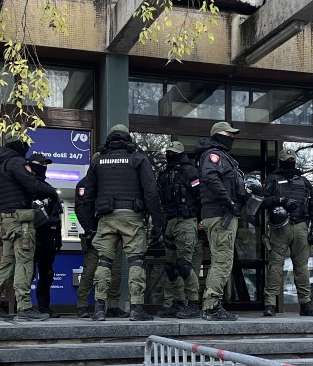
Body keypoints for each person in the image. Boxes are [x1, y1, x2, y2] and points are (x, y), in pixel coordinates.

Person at [80, 124, 164, 321]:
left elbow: (88, 196)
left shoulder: (98, 161)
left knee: (104, 261)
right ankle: (136, 308)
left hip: (106, 218)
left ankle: (99, 308)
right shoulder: (138, 158)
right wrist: (157, 221)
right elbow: (151, 192)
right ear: (128, 138)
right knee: (136, 260)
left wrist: (90, 227)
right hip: (131, 217)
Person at [0, 138, 58, 322]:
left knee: (7, 263)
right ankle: (24, 307)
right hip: (20, 221)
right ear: (18, 146)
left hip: (6, 220)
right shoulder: (15, 162)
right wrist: (52, 192)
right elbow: (32, 185)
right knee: (24, 261)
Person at [260, 147, 313, 317]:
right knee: (275, 268)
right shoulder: (273, 179)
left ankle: (305, 304)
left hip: (301, 226)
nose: (289, 165)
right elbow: (261, 202)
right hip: (280, 228)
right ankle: (270, 304)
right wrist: (280, 200)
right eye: (287, 162)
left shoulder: (304, 182)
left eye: (291, 162)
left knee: (301, 268)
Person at [195, 121, 245, 321]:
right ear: (217, 134)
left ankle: (213, 304)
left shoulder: (223, 157)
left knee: (221, 260)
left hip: (219, 213)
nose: (231, 137)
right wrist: (229, 201)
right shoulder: (212, 155)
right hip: (220, 214)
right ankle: (212, 306)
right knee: (222, 261)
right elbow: (210, 178)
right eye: (228, 134)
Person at [156, 141, 201, 319]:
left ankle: (193, 303)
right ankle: (177, 302)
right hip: (170, 222)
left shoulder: (190, 171)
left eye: (173, 153)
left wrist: (201, 219)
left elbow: (200, 196)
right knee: (171, 267)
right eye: (168, 152)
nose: (170, 155)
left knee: (184, 264)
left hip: (186, 221)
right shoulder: (164, 175)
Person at [74, 176, 123, 317]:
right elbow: (80, 209)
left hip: (113, 232)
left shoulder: (113, 182)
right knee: (90, 271)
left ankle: (113, 306)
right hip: (95, 233)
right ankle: (82, 305)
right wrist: (90, 230)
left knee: (115, 272)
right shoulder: (85, 183)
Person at [28, 153, 63, 318]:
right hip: (31, 235)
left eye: (45, 164)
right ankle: (23, 307)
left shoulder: (48, 188)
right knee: (28, 273)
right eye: (40, 163)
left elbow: (57, 214)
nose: (43, 166)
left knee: (47, 273)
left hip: (48, 236)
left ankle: (44, 307)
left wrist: (58, 237)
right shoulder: (27, 187)